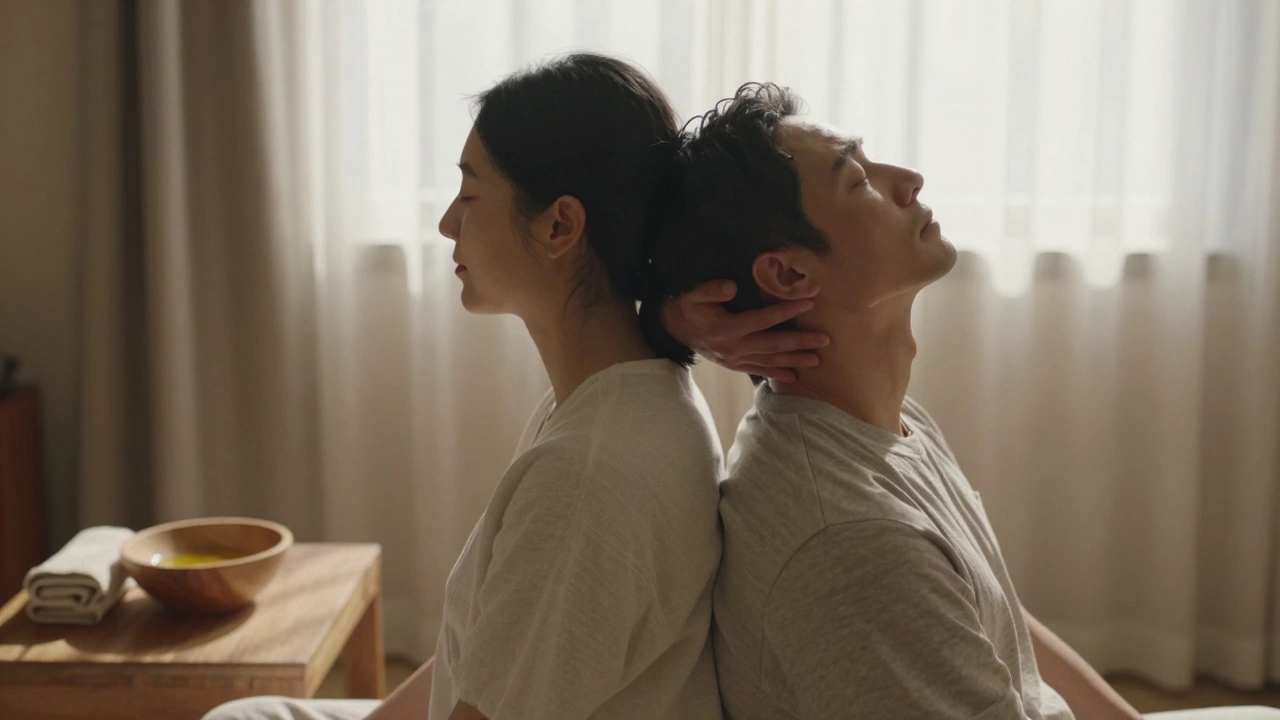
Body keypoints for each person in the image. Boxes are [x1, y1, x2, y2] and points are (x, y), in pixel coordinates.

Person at [201, 53, 822, 720]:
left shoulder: (588, 478)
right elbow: (491, 657)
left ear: (559, 226)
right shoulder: (613, 397)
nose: (448, 222)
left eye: (469, 195)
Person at [644, 82, 1280, 720]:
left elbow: (1004, 618)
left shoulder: (883, 420)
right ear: (788, 274)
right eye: (857, 180)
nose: (908, 181)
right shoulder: (851, 541)